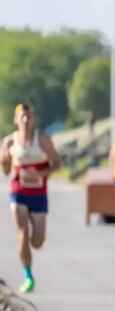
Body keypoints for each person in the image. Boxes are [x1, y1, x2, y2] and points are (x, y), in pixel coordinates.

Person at [0, 103, 61, 293]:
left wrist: (41, 174)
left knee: (37, 242)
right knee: (22, 232)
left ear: (33, 119)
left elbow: (57, 164)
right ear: (15, 120)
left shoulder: (42, 140)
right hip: (18, 192)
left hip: (39, 194)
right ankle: (28, 275)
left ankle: (30, 254)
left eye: (29, 117)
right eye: (22, 117)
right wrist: (4, 162)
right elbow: (6, 171)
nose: (26, 120)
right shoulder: (9, 142)